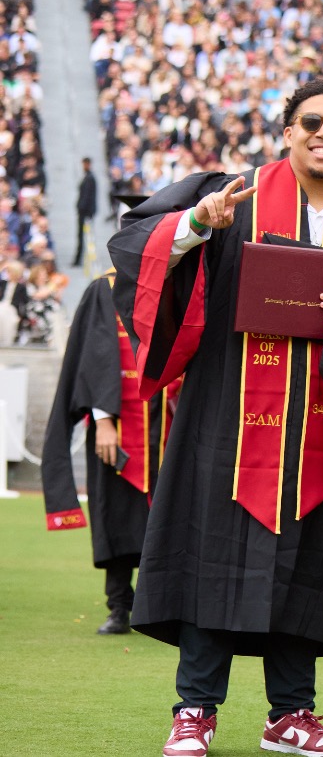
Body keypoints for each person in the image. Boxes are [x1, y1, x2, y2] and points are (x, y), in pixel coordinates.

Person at [108, 78, 323, 757]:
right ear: (287, 130)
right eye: (311, 121)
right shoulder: (233, 193)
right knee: (214, 554)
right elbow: (136, 245)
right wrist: (199, 226)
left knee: (304, 563)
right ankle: (194, 710)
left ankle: (291, 715)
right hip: (229, 416)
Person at [40, 260, 179, 635]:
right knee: (116, 513)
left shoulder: (182, 282)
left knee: (168, 518)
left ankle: (161, 608)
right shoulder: (105, 288)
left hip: (169, 425)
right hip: (117, 425)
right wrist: (101, 420)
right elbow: (92, 355)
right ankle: (120, 606)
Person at [74, 156, 97, 266]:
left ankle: (80, 259)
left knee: (84, 236)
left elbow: (87, 197)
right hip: (85, 211)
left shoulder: (89, 178)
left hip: (85, 212)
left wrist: (82, 209)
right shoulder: (88, 177)